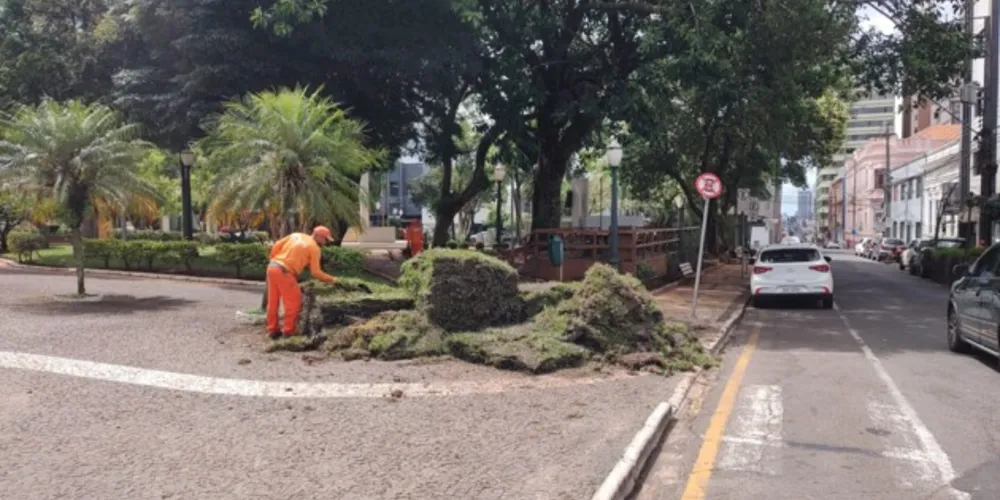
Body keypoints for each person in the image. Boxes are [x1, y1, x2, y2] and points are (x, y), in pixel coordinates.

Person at [265, 226, 337, 339]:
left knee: (273, 301)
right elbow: (316, 272)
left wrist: (274, 260)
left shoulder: (296, 235)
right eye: (324, 239)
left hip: (272, 267)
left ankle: (272, 330)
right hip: (285, 272)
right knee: (294, 302)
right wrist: (332, 280)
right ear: (317, 236)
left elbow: (276, 245)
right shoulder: (314, 248)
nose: (325, 242)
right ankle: (288, 332)